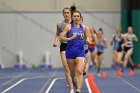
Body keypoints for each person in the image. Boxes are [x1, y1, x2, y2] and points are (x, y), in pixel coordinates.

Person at [60, 10, 90, 93]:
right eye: (74, 16)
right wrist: (70, 38)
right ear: (72, 17)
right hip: (70, 52)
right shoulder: (69, 27)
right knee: (72, 74)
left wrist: (88, 40)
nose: (76, 17)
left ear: (80, 18)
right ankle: (73, 85)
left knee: (80, 71)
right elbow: (61, 38)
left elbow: (88, 37)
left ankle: (78, 89)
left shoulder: (84, 28)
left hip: (80, 52)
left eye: (78, 16)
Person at [53, 7, 74, 93]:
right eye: (64, 12)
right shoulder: (59, 24)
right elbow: (57, 34)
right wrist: (55, 42)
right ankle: (71, 88)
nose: (66, 14)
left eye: (68, 12)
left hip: (73, 47)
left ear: (70, 14)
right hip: (63, 46)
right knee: (66, 67)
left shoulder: (74, 23)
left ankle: (73, 79)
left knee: (73, 68)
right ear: (63, 14)